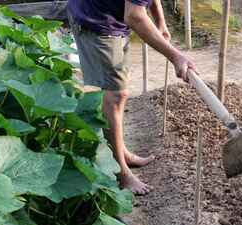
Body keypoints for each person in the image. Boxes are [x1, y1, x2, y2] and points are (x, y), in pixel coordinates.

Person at [68, 0, 196, 195]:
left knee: (119, 92)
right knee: (115, 96)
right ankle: (121, 173)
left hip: (113, 18)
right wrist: (175, 56)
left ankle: (122, 154)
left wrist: (160, 22)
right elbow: (134, 16)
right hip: (96, 19)